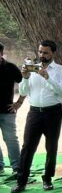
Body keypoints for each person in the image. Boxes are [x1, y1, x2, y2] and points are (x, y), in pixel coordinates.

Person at [11, 40, 62, 193]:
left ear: (53, 53)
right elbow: (23, 91)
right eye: (40, 52)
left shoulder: (61, 70)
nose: (42, 55)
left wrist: (47, 77)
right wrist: (24, 77)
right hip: (34, 112)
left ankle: (48, 179)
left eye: (45, 52)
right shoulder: (32, 69)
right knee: (28, 147)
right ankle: (21, 181)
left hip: (53, 113)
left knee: (51, 147)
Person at [0, 42, 24, 174]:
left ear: (2, 54)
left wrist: (19, 102)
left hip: (7, 111)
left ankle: (17, 167)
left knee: (11, 139)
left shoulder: (10, 68)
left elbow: (26, 83)